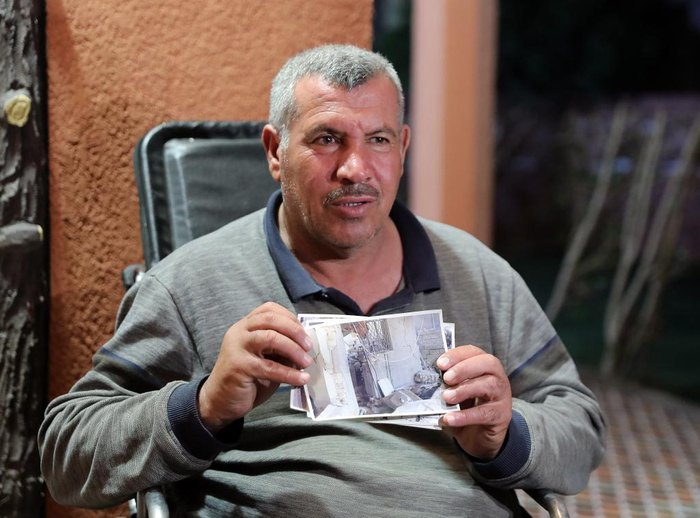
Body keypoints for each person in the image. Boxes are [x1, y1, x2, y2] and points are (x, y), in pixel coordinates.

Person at [39, 44, 605, 517]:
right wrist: (204, 406)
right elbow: (67, 454)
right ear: (275, 152)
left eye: (378, 140)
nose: (356, 169)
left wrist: (506, 435)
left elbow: (580, 426)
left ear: (402, 149)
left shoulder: (479, 274)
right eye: (327, 139)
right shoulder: (189, 283)